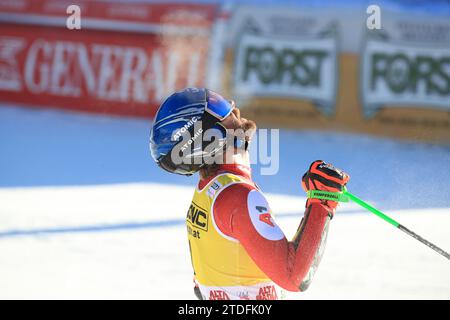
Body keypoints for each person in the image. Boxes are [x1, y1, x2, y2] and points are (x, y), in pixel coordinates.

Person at [150, 88, 350, 300]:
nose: (234, 108)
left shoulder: (210, 191)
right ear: (208, 138)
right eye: (220, 107)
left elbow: (204, 286)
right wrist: (322, 202)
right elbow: (294, 277)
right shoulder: (237, 196)